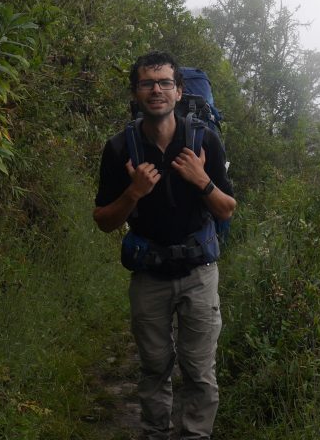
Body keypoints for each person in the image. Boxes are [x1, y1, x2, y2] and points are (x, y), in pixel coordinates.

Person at [93, 51, 236, 440]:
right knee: (154, 365)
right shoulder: (120, 149)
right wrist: (133, 193)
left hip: (198, 273)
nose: (156, 90)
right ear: (135, 93)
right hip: (149, 272)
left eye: (164, 83)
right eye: (147, 83)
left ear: (178, 92)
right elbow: (104, 221)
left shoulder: (204, 140)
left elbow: (227, 209)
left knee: (199, 369)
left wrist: (201, 179)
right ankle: (154, 433)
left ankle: (194, 435)